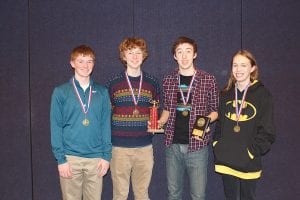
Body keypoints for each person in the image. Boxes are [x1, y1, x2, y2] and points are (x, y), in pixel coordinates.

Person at [157, 36, 219, 200]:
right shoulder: (168, 80)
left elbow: (215, 110)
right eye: (180, 52)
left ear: (195, 54)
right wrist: (160, 122)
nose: (184, 56)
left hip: (197, 146)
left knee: (198, 195)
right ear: (175, 56)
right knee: (173, 194)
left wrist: (204, 122)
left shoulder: (208, 79)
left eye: (188, 51)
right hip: (173, 145)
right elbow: (168, 109)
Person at [50, 45, 112, 200]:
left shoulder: (102, 92)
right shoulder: (61, 91)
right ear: (72, 63)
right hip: (70, 159)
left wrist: (106, 156)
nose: (85, 65)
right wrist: (61, 159)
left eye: (89, 61)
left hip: (96, 159)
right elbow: (56, 126)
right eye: (81, 61)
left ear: (94, 64)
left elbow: (105, 125)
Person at [213, 50, 276, 200]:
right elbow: (220, 124)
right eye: (235, 65)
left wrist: (251, 152)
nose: (238, 69)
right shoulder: (226, 94)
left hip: (248, 161)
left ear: (252, 68)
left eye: (243, 65)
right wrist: (217, 144)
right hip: (226, 160)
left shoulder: (263, 94)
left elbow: (268, 131)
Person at [106, 37, 160, 200]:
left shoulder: (152, 83)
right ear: (123, 56)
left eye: (139, 52)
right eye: (130, 53)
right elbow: (106, 113)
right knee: (120, 195)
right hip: (119, 149)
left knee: (142, 194)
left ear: (144, 55)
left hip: (144, 148)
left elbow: (156, 111)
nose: (135, 57)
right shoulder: (113, 82)